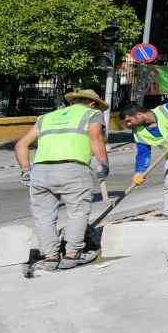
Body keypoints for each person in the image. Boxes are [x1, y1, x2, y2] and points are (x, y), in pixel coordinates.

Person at [13, 89, 110, 271]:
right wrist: (103, 165)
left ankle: (50, 258)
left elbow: (21, 144)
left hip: (41, 171)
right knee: (77, 212)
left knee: (44, 217)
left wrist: (26, 171)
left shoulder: (46, 117)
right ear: (92, 103)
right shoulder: (93, 114)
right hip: (73, 169)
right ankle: (73, 254)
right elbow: (96, 139)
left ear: (73, 102)